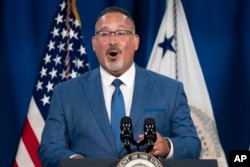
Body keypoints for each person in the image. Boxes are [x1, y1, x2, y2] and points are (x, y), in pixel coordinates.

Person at [38, 6, 201, 167]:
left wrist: (167, 146)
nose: (112, 41)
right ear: (94, 44)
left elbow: (192, 145)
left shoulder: (170, 90)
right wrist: (76, 162)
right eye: (104, 34)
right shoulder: (66, 93)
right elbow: (49, 147)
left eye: (121, 33)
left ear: (136, 42)